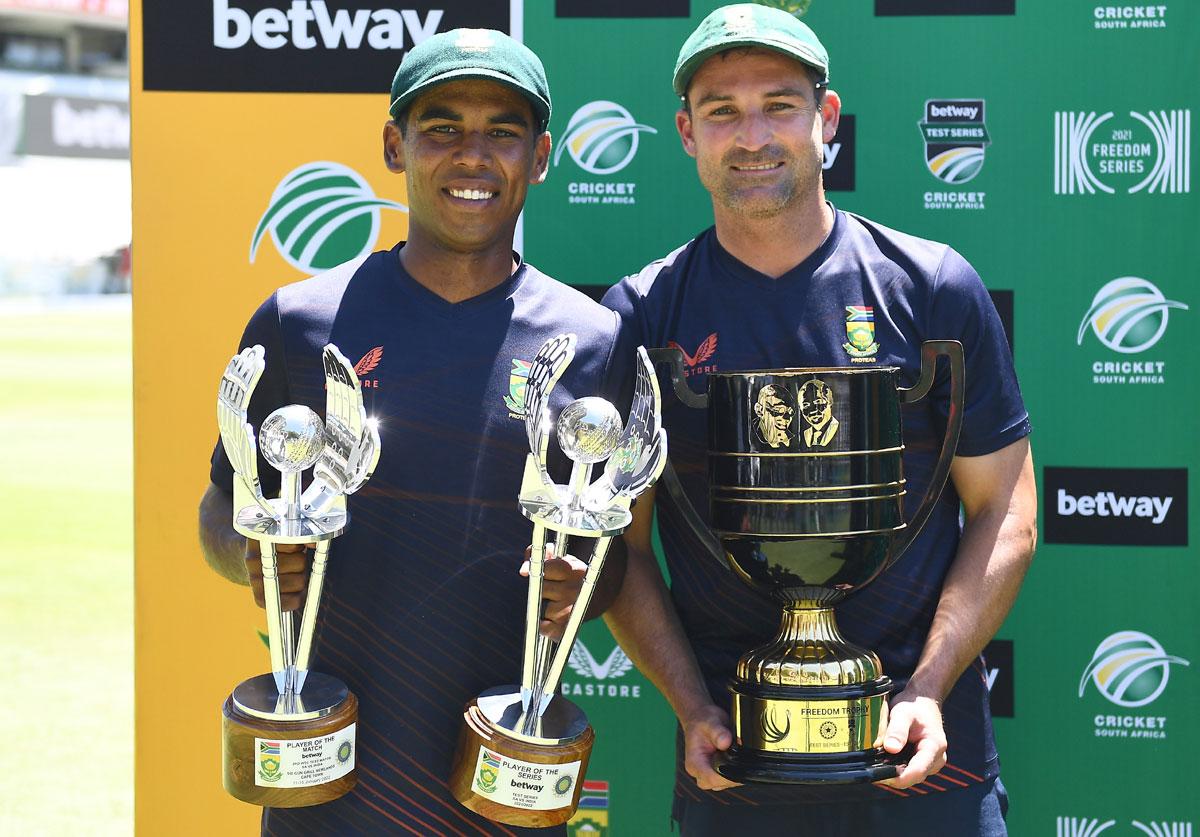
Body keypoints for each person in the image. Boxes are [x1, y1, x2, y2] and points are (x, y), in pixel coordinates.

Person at [600, 5, 1036, 835]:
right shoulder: (645, 314)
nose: (752, 134)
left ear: (826, 119)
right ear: (687, 133)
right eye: (723, 110)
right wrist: (694, 706)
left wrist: (926, 688)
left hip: (925, 761)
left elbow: (1007, 511)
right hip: (735, 764)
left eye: (780, 104)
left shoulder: (933, 286)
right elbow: (624, 546)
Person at [198, 28, 627, 836]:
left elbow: (608, 562)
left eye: (502, 131)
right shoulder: (298, 321)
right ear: (395, 147)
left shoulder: (591, 340)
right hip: (330, 775)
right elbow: (220, 512)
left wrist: (582, 586)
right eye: (443, 129)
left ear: (539, 157)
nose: (473, 156)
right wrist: (252, 553)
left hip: (502, 778)